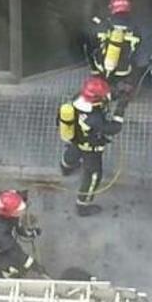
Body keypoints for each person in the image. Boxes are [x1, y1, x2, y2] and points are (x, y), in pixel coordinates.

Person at [60, 76, 126, 217]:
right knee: (94, 175)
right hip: (91, 149)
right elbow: (114, 128)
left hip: (77, 139)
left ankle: (65, 168)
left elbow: (101, 99)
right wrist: (120, 109)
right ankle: (83, 205)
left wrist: (116, 93)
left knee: (72, 153)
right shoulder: (94, 118)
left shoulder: (78, 99)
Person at [85, 0, 142, 100]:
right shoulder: (134, 28)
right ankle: (122, 90)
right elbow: (137, 48)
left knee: (90, 49)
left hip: (103, 66)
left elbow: (93, 42)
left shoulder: (105, 24)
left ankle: (100, 82)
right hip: (124, 69)